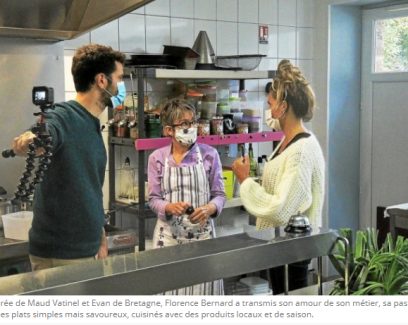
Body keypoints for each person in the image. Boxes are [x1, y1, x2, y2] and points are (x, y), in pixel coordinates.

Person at [11, 44, 126, 271]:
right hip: (62, 254)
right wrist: (30, 139)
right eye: (119, 78)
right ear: (102, 80)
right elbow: (46, 131)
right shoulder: (63, 116)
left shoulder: (90, 123)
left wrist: (99, 233)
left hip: (87, 248)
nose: (121, 85)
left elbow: (87, 189)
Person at [232, 59, 325, 294]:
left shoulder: (301, 150)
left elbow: (281, 208)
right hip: (280, 244)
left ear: (283, 107)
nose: (268, 109)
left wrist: (246, 181)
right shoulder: (287, 141)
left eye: (270, 103)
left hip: (293, 249)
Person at [148, 98, 226, 294]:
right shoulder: (157, 158)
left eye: (192, 122)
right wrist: (168, 207)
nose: (191, 128)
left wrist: (210, 208)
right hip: (168, 241)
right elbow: (153, 199)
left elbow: (219, 195)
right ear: (168, 130)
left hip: (203, 240)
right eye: (184, 124)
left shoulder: (210, 155)